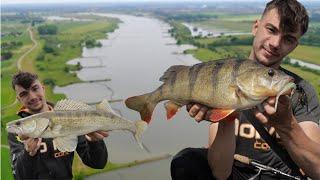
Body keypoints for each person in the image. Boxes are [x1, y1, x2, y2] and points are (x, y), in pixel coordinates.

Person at [170, 0, 320, 179]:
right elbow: (220, 173)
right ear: (256, 27)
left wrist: (285, 125)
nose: (275, 43)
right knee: (185, 163)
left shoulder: (300, 90)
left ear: (295, 45)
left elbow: (317, 171)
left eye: (288, 39)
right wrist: (226, 119)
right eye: (271, 30)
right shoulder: (224, 77)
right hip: (237, 174)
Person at [8, 71, 109, 180]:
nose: (32, 96)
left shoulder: (68, 119)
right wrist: (27, 154)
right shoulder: (19, 132)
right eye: (24, 94)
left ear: (43, 88)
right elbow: (19, 177)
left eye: (35, 88)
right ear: (19, 99)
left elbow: (97, 163)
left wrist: (94, 142)